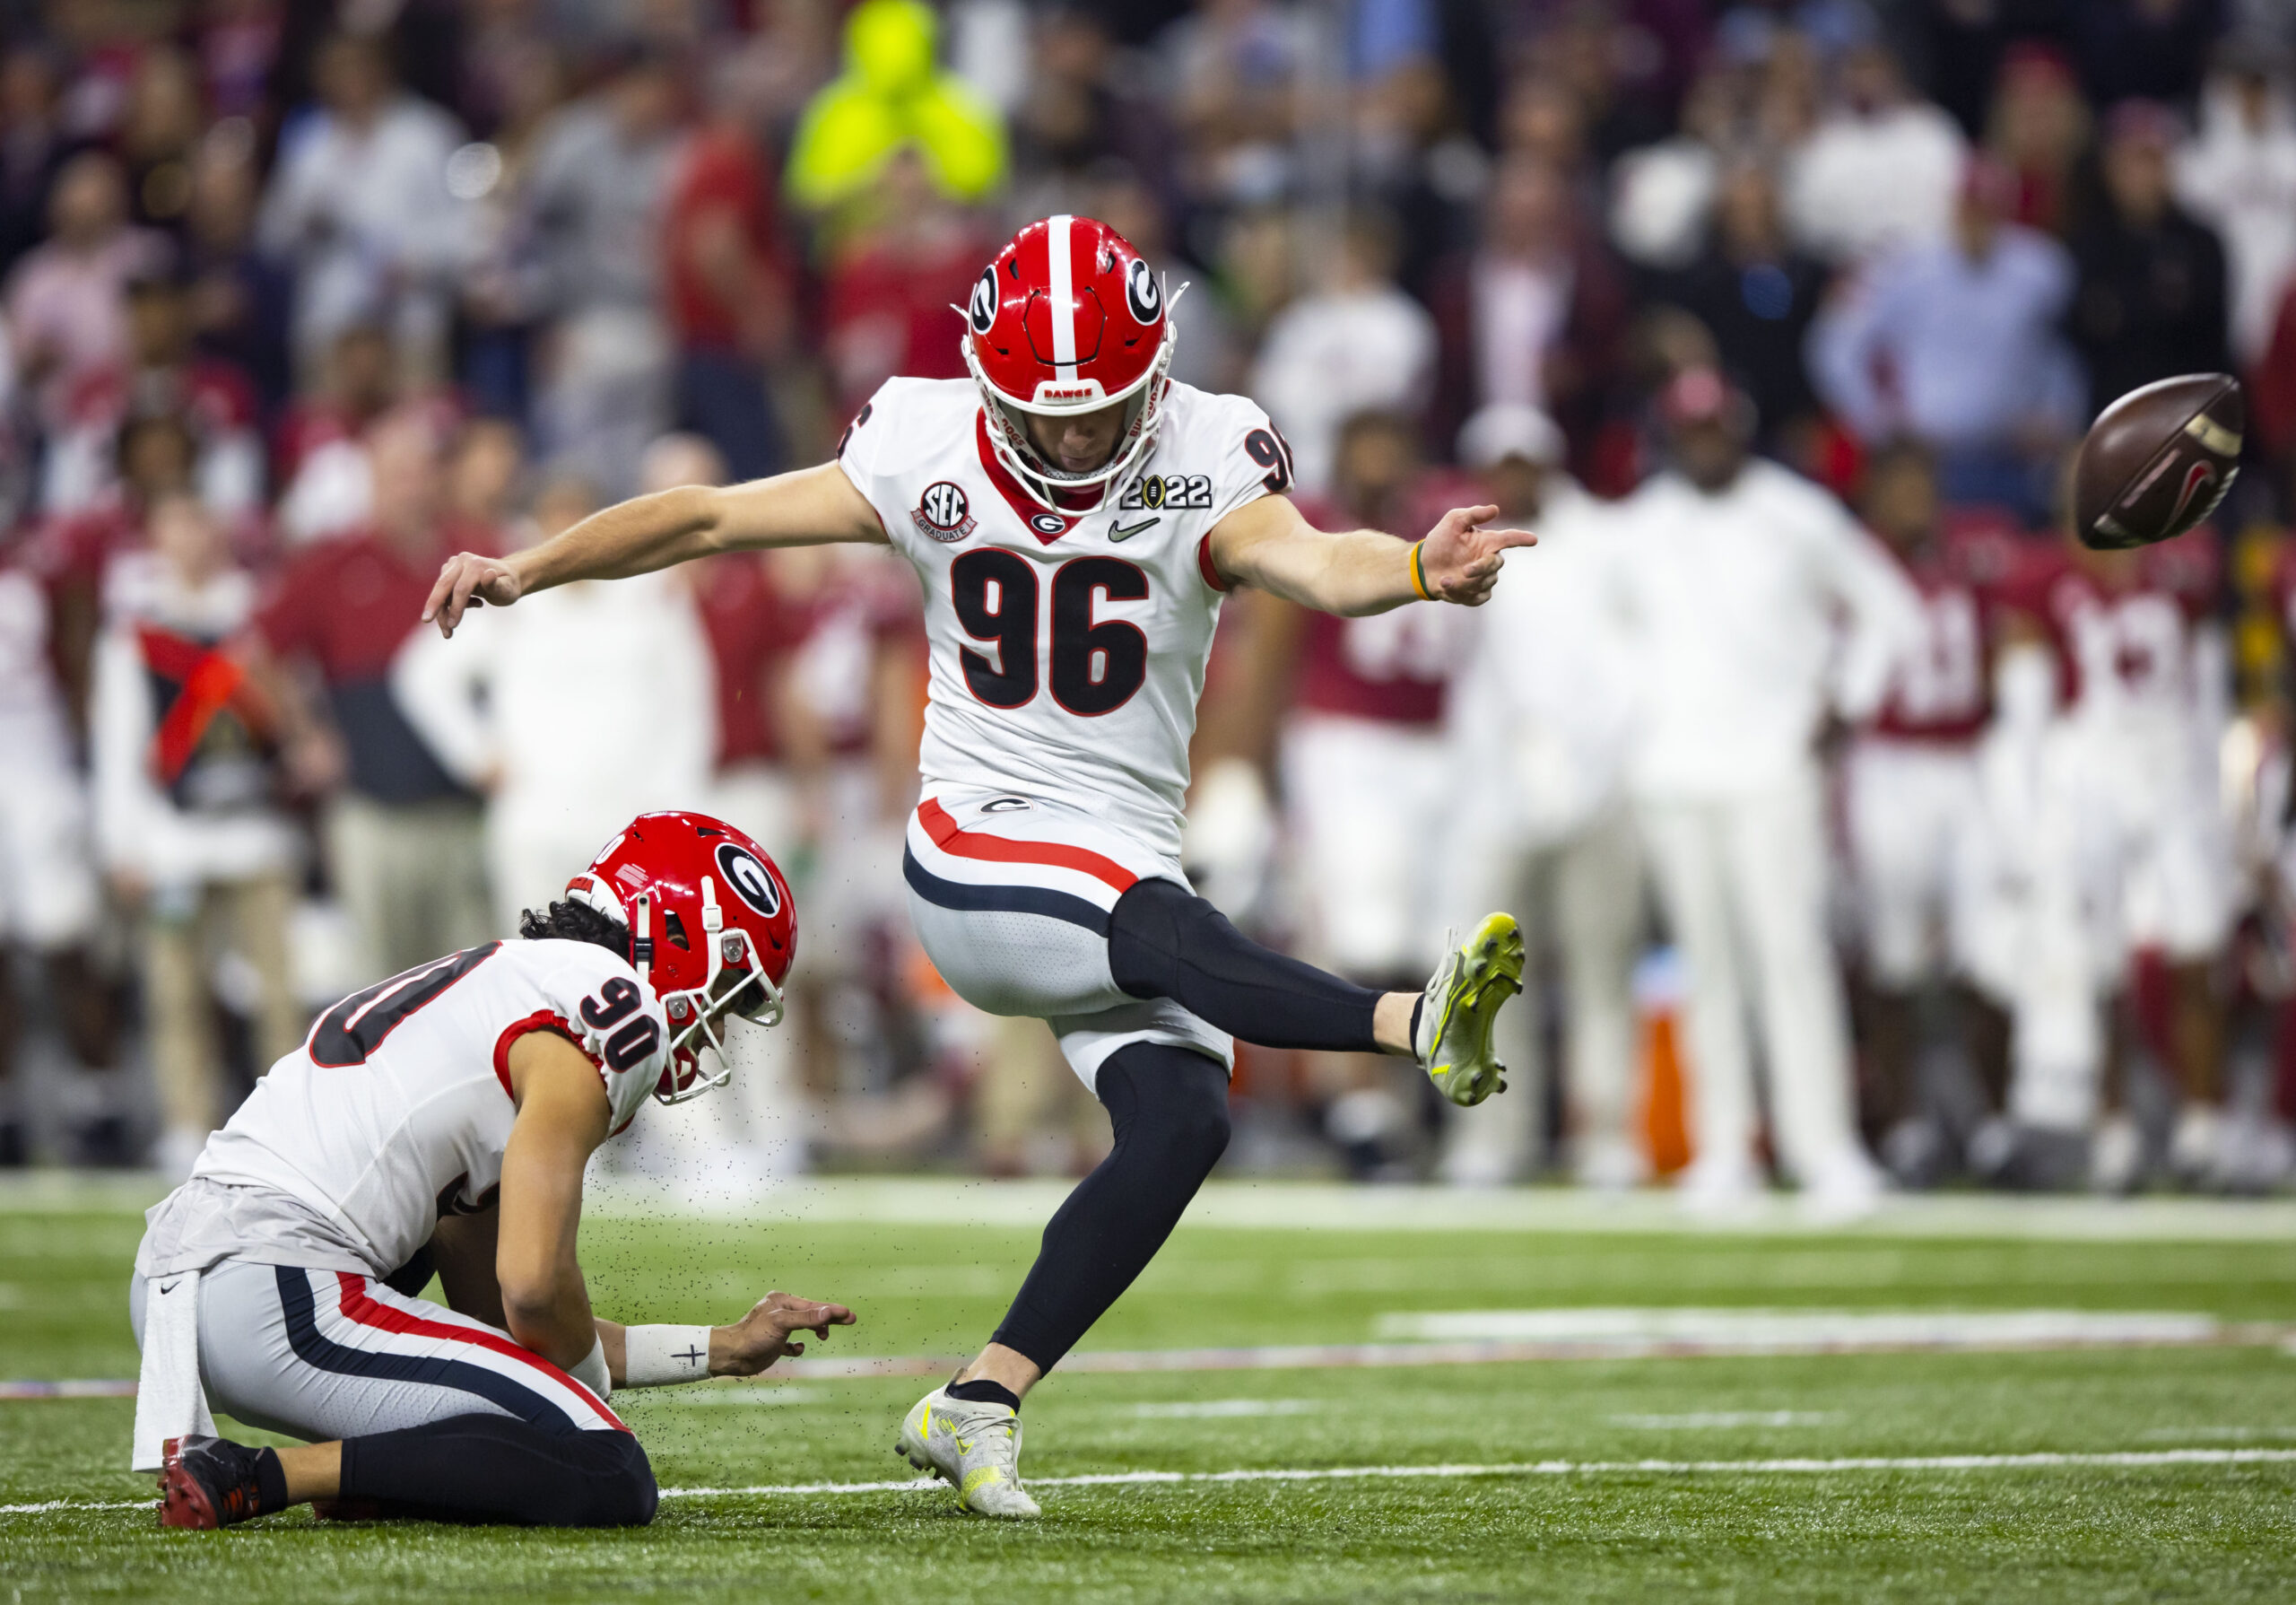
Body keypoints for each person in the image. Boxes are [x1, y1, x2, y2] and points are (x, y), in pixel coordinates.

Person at [423, 214, 1530, 1518]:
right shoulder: (921, 438)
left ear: (1154, 374)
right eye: (1045, 413)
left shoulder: (1208, 447)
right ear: (989, 381)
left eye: (1101, 410)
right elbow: (712, 515)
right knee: (1162, 920)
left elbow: (1312, 560)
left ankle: (981, 1396)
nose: (1073, 438)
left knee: (1186, 1120)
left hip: (1115, 857)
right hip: (978, 842)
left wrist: (1410, 568)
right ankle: (1410, 1020)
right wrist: (528, 567)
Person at [130, 811, 854, 1531]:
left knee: (550, 1416)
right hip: (275, 1289)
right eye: (727, 988)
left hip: (192, 1283)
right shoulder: (614, 1009)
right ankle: (257, 1475)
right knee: (608, 1470)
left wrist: (722, 1346)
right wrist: (586, 1407)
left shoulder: (513, 984)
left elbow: (511, 1331)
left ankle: (378, 1481)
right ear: (677, 939)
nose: (718, 1027)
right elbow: (536, 1290)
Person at [1608, 368, 1921, 1217]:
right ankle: (1723, 1150)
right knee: (1706, 969)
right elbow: (1593, 639)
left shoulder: (1797, 513)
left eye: (1716, 428)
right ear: (1669, 437)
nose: (1703, 444)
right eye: (1689, 430)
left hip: (1775, 768)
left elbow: (1893, 611)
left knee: (1793, 957)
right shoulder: (1638, 529)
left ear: (1741, 429)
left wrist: (1845, 703)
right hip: (1674, 773)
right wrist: (1629, 728)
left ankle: (1826, 1150)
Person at [1439, 403, 1644, 1190]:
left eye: (1527, 460)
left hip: (1597, 785)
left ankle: (1609, 1135)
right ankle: (1488, 1137)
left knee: (1602, 967)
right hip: (1491, 789)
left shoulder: (1603, 543)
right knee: (1480, 972)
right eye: (1502, 462)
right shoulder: (1450, 546)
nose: (1515, 476)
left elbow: (1637, 660)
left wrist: (1600, 760)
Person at [91, 492, 304, 1178]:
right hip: (173, 837)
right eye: (173, 524)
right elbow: (117, 738)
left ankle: (293, 1125)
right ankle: (187, 1122)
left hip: (256, 830)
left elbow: (292, 721)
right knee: (175, 993)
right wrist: (121, 843)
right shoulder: (134, 630)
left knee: (278, 993)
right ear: (154, 538)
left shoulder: (257, 615)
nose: (188, 539)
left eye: (198, 521)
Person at [1839, 443, 2012, 1187]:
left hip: (1967, 761)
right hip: (1886, 763)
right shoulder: (1848, 563)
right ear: (1872, 494)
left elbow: (2008, 649)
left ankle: (1994, 1122)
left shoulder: (1975, 552)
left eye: (1923, 479)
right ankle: (1906, 1122)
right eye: (1899, 481)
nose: (1915, 495)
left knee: (1989, 951)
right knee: (1895, 956)